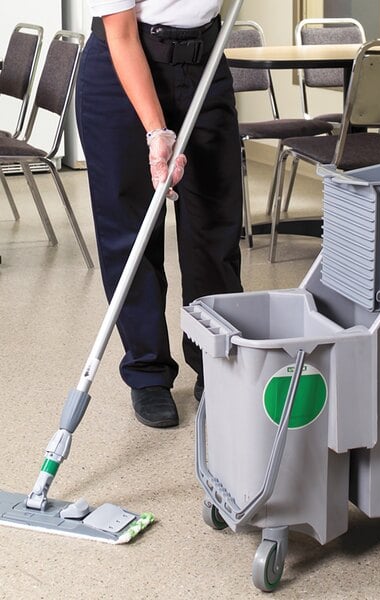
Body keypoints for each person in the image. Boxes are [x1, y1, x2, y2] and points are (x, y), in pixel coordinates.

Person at [76, 1, 243, 428]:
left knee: (213, 228)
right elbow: (122, 32)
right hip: (122, 68)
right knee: (130, 233)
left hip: (204, 64)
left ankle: (215, 361)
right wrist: (157, 131)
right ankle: (147, 372)